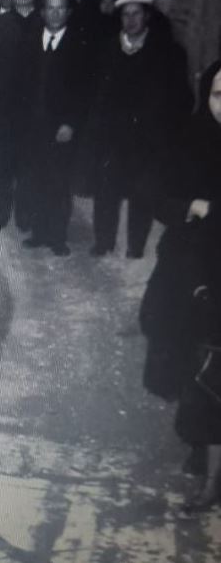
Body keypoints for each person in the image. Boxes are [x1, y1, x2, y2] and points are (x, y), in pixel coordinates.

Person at [137, 63, 221, 511]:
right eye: (219, 95)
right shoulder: (188, 138)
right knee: (187, 346)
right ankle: (198, 440)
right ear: (205, 96)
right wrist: (190, 204)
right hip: (188, 261)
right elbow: (152, 193)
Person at [90, 0, 193, 257]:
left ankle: (135, 247)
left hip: (149, 140)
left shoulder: (167, 52)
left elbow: (181, 97)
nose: (131, 20)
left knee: (142, 194)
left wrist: (167, 131)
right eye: (125, 14)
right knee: (106, 190)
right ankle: (103, 241)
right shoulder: (108, 49)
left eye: (136, 14)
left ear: (147, 16)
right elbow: (96, 94)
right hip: (113, 136)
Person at [13, 0, 91, 255]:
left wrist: (70, 123)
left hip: (61, 129)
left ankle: (57, 236)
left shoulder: (80, 46)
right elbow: (20, 84)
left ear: (68, 12)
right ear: (42, 11)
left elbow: (84, 92)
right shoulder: (30, 41)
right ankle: (39, 231)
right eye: (50, 8)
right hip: (32, 126)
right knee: (35, 179)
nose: (55, 13)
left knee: (58, 182)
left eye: (61, 8)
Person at [0, 0, 41, 231]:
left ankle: (26, 216)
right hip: (2, 109)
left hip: (33, 110)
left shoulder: (45, 24)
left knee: (30, 165)